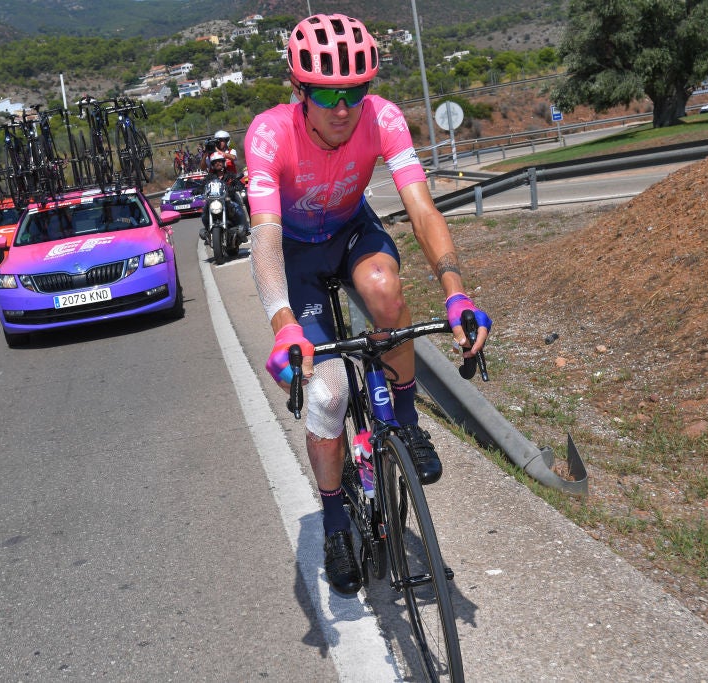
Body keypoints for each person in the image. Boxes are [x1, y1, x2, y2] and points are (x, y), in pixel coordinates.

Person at [244, 14, 491, 596]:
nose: (343, 109)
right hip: (297, 254)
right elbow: (264, 234)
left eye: (354, 92)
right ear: (299, 89)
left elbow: (421, 208)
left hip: (352, 230)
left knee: (385, 291)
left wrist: (456, 292)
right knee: (328, 395)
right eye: (327, 94)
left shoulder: (383, 118)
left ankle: (405, 422)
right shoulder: (269, 133)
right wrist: (283, 324)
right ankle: (335, 524)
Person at [199, 151, 250, 243]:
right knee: (204, 214)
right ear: (212, 165)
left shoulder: (230, 175)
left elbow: (238, 183)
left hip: (228, 199)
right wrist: (197, 189)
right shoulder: (210, 177)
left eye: (220, 161)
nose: (218, 163)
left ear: (223, 162)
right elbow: (203, 185)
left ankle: (243, 230)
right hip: (213, 201)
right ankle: (208, 232)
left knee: (238, 209)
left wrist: (237, 187)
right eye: (215, 162)